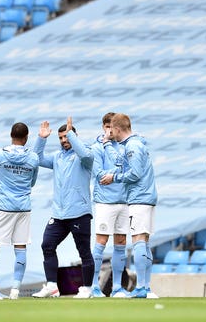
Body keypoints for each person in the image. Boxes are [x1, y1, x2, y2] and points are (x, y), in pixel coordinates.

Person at [31, 117, 95, 299]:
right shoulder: (57, 157)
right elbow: (37, 158)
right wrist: (41, 139)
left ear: (74, 136)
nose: (64, 140)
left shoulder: (84, 156)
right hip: (59, 214)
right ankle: (52, 286)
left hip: (79, 213)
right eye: (61, 138)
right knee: (47, 245)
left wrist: (72, 136)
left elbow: (86, 156)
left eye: (66, 137)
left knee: (83, 251)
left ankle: (87, 288)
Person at [0, 122, 39, 300]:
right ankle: (15, 290)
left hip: (4, 205)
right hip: (23, 207)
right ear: (26, 138)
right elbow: (32, 182)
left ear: (11, 136)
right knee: (20, 247)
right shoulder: (33, 158)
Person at [100, 113, 158, 299]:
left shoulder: (132, 146)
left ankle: (141, 286)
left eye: (112, 130)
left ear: (117, 129)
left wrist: (114, 178)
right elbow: (120, 162)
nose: (112, 133)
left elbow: (134, 174)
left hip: (139, 198)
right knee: (145, 241)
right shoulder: (134, 144)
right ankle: (146, 287)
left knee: (139, 240)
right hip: (146, 197)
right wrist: (107, 144)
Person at [89, 113, 129, 298]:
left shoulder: (126, 146)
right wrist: (121, 172)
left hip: (124, 201)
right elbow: (99, 174)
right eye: (107, 127)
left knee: (121, 242)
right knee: (101, 242)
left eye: (113, 127)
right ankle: (94, 286)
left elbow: (132, 170)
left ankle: (117, 287)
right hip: (105, 202)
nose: (110, 130)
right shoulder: (97, 148)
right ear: (103, 127)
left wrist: (115, 174)